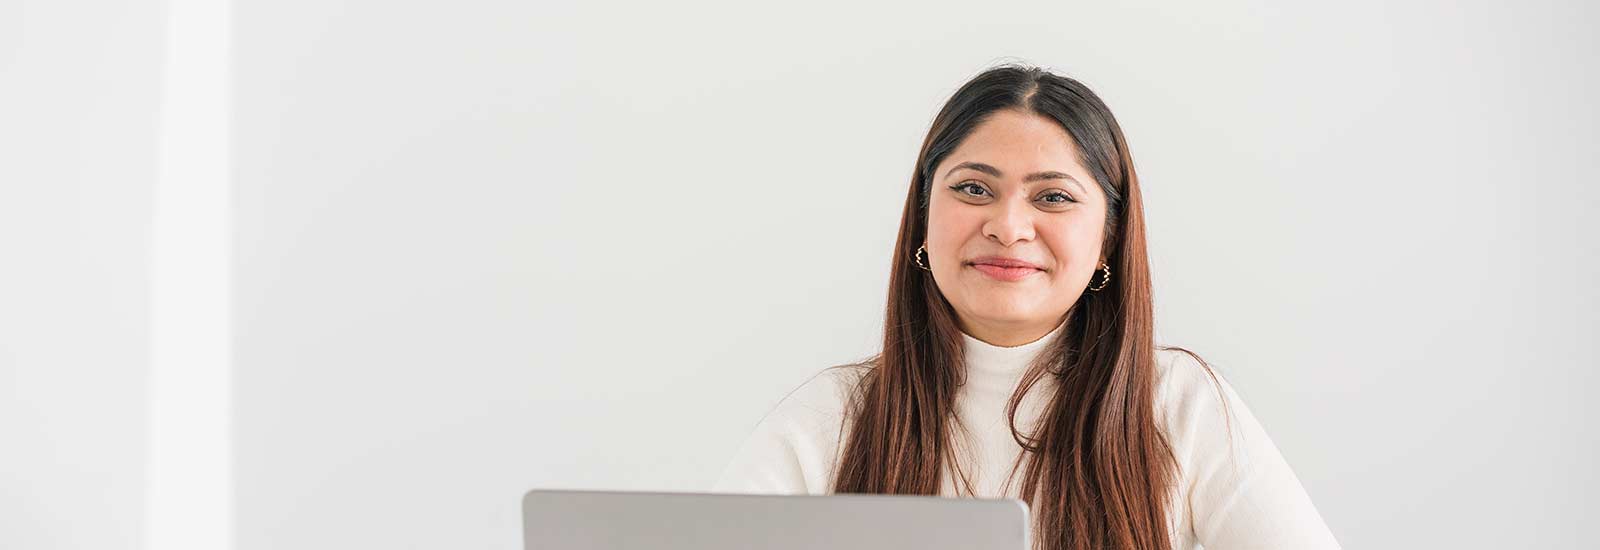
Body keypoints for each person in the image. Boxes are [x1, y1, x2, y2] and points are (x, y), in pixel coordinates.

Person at [711, 64, 1341, 550]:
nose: (1009, 227)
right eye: (973, 188)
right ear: (923, 221)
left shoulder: (1178, 404)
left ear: (1108, 241)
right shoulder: (836, 415)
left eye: (1054, 198)